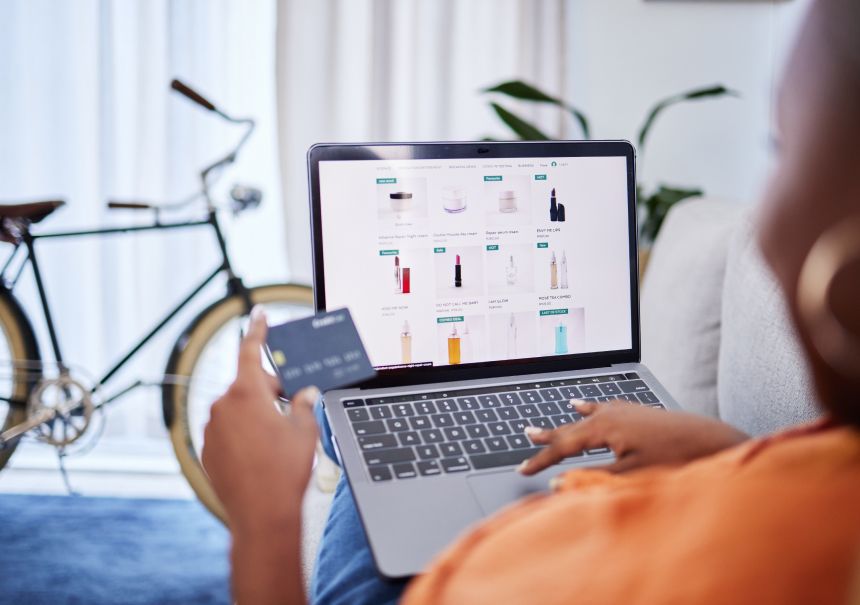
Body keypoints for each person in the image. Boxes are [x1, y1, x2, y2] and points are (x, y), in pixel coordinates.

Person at [201, 0, 860, 602]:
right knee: (363, 413)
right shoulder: (828, 477)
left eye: (779, 148)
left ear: (845, 263)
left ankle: (347, 405)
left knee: (356, 418)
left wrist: (264, 519)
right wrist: (722, 445)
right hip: (622, 446)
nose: (761, 213)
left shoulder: (495, 574)